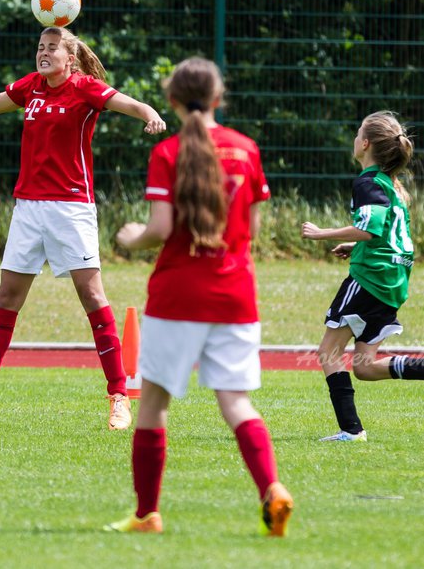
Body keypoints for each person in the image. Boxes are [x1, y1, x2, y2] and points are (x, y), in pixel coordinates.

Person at [0, 25, 166, 430]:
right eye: (40, 47)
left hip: (71, 209)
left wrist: (149, 112)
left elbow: (125, 103)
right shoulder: (30, 86)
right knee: (7, 298)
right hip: (28, 210)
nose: (43, 53)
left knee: (92, 295)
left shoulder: (84, 88)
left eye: (51, 48)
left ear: (70, 57)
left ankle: (119, 396)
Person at [107, 57, 293, 537]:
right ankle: (271, 488)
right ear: (218, 98)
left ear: (171, 100)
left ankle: (148, 514)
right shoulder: (246, 149)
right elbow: (250, 229)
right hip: (235, 295)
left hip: (177, 296)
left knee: (152, 405)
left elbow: (162, 230)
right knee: (236, 402)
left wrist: (131, 238)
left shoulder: (168, 151)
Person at [300, 110, 424, 443]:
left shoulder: (367, 182)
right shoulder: (391, 186)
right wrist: (355, 245)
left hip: (370, 279)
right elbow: (388, 235)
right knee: (364, 367)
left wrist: (324, 233)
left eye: (357, 133)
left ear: (365, 144)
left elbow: (370, 226)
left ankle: (351, 431)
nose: (354, 138)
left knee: (328, 353)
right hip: (393, 282)